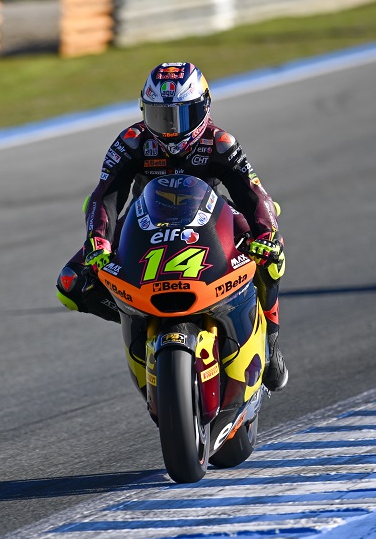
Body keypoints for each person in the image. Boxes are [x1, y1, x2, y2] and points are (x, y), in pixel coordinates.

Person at [55, 62, 289, 392]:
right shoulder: (132, 141)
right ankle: (139, 314)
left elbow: (253, 193)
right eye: (161, 116)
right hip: (143, 222)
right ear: (144, 110)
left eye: (182, 115)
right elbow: (104, 195)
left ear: (204, 108)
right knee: (70, 283)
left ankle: (273, 345)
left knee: (271, 254)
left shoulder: (220, 142)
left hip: (212, 218)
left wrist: (265, 232)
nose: (170, 128)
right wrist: (98, 239)